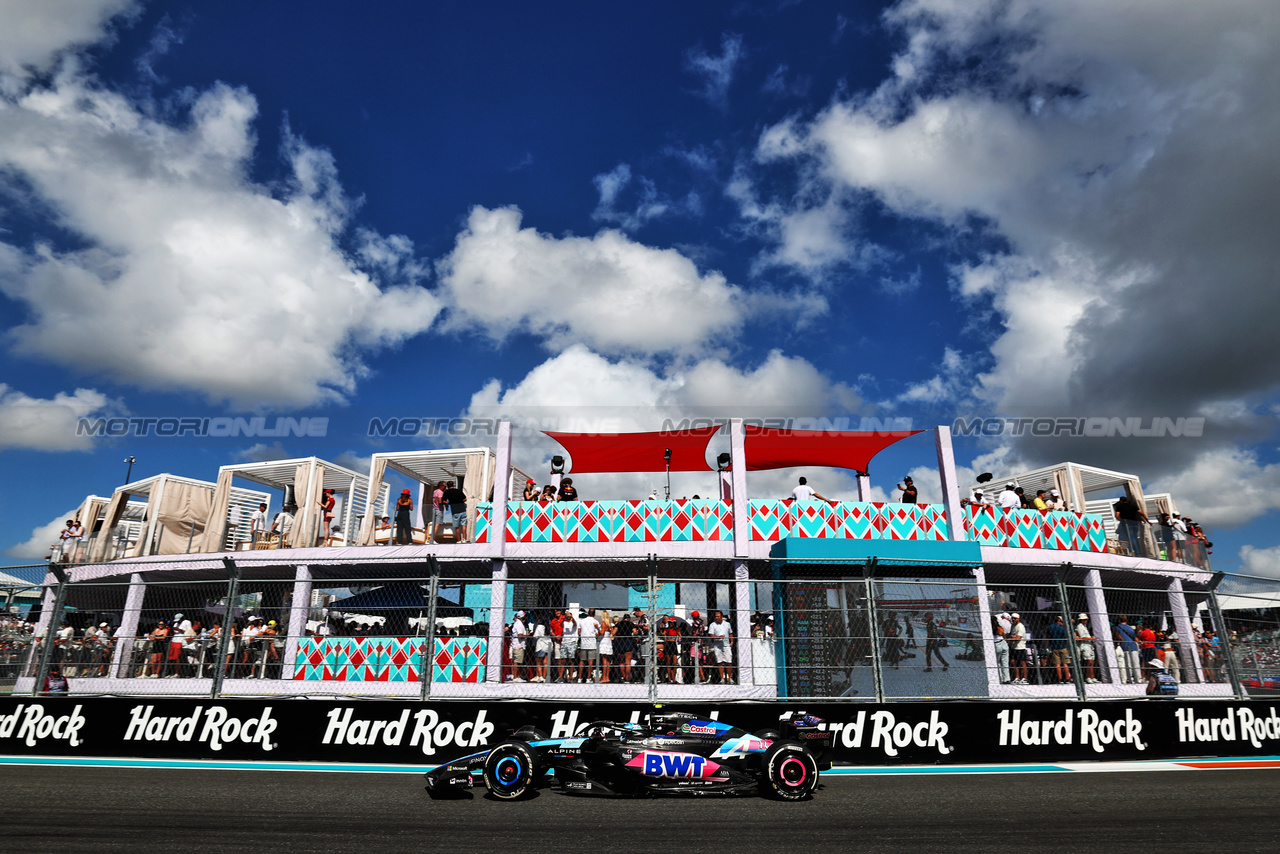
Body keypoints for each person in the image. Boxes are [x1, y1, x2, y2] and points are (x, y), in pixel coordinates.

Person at [707, 610, 733, 684]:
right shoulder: (712, 625)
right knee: (720, 662)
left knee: (729, 662)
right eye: (715, 616)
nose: (716, 618)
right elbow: (711, 634)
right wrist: (718, 637)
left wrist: (732, 642)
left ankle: (729, 678)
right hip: (717, 645)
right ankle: (722, 678)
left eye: (718, 616)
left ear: (721, 616)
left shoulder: (727, 624)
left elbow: (730, 633)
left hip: (726, 645)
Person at [577, 608, 601, 682]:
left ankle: (580, 678)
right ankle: (588, 678)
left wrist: (584, 635)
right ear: (594, 614)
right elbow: (598, 634)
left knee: (582, 661)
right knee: (590, 661)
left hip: (584, 643)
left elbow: (579, 632)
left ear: (587, 613)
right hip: (592, 643)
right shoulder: (595, 621)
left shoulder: (582, 621)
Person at [1114, 615, 1140, 683]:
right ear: (1126, 620)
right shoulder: (1129, 628)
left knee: (1127, 664)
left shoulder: (1117, 628)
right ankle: (1138, 679)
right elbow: (1134, 636)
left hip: (1124, 646)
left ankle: (1129, 678)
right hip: (1132, 646)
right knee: (1135, 664)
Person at [1046, 615, 1071, 683]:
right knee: (1065, 663)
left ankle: (1060, 679)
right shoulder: (1062, 628)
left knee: (1057, 664)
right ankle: (1067, 678)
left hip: (1054, 647)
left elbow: (1047, 636)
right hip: (1063, 646)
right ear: (1059, 621)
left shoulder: (1050, 627)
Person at [614, 610, 635, 683]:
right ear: (629, 618)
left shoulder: (619, 624)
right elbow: (635, 632)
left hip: (620, 641)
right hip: (628, 641)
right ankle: (627, 677)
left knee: (621, 661)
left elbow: (613, 632)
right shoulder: (631, 624)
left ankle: (623, 676)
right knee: (628, 661)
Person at [1075, 614, 1097, 683]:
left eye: (1086, 619)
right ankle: (1088, 677)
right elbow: (1083, 637)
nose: (1086, 621)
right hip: (1085, 645)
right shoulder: (1080, 626)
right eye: (1084, 620)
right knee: (1089, 661)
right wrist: (1091, 638)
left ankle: (1092, 677)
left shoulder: (1085, 626)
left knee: (1092, 662)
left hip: (1090, 645)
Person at [508, 610, 528, 682]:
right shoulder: (519, 624)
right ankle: (516, 677)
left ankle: (515, 676)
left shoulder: (516, 623)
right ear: (522, 616)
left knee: (515, 661)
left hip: (515, 644)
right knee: (517, 661)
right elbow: (520, 635)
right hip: (518, 645)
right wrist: (527, 635)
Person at [1008, 613, 1028, 684]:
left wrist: (1011, 638)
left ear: (1018, 619)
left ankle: (1025, 678)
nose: (1013, 619)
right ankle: (1017, 677)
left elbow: (1018, 637)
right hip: (1014, 647)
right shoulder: (1013, 626)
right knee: (1014, 662)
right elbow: (1011, 634)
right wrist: (1012, 637)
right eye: (1013, 618)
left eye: (1015, 618)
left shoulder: (1020, 627)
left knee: (1022, 663)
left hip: (1020, 647)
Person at [533, 615, 552, 683]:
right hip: (548, 646)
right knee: (545, 662)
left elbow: (535, 636)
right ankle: (544, 677)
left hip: (541, 646)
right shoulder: (549, 627)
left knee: (538, 662)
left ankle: (540, 677)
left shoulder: (539, 627)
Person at [992, 617, 1010, 683]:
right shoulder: (999, 627)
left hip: (996, 644)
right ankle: (1007, 679)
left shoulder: (991, 628)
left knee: (997, 663)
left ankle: (1000, 679)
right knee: (1005, 662)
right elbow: (1003, 634)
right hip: (1003, 643)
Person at [598, 611, 614, 682]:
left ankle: (604, 677)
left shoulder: (604, 623)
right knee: (608, 661)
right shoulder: (610, 624)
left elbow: (602, 633)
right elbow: (612, 633)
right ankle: (607, 677)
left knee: (604, 660)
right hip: (608, 642)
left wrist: (597, 630)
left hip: (604, 641)